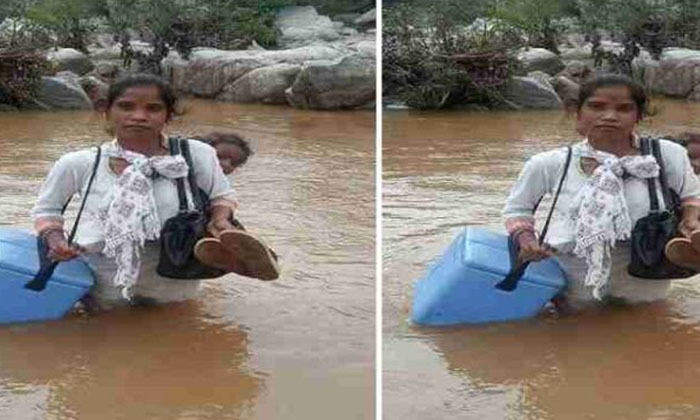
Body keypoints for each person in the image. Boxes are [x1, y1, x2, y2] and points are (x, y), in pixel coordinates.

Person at [31, 73, 278, 310]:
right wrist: (56, 240)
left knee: (173, 336)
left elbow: (221, 195)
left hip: (175, 271)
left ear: (168, 115)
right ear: (106, 111)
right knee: (106, 335)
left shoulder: (196, 154)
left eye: (153, 108)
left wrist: (220, 220)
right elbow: (47, 209)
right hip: (102, 272)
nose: (139, 116)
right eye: (126, 107)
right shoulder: (80, 162)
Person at [503, 73, 700, 311]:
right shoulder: (550, 162)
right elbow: (518, 209)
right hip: (572, 267)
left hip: (646, 265)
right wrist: (526, 240)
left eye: (624, 108)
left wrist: (690, 221)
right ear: (579, 113)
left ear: (638, 116)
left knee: (646, 327)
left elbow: (692, 195)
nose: (609, 116)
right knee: (577, 333)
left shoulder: (667, 154)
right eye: (596, 106)